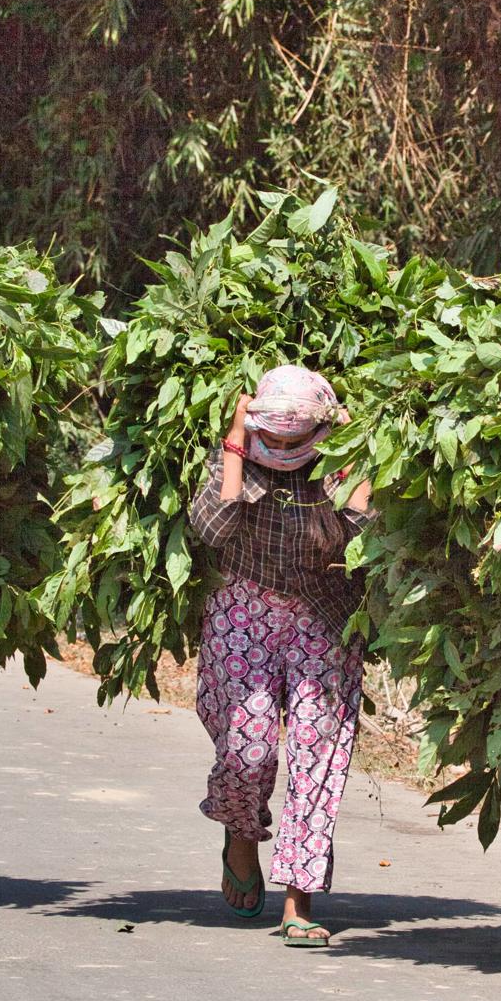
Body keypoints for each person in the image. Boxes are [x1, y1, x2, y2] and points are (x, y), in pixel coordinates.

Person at [188, 365, 375, 948]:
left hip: (324, 613)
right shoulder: (237, 453)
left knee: (321, 753)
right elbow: (213, 530)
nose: (286, 451)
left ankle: (299, 898)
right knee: (247, 745)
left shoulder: (336, 465)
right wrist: (238, 443)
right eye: (278, 438)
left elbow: (363, 530)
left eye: (298, 441)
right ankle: (240, 831)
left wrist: (354, 451)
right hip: (245, 606)